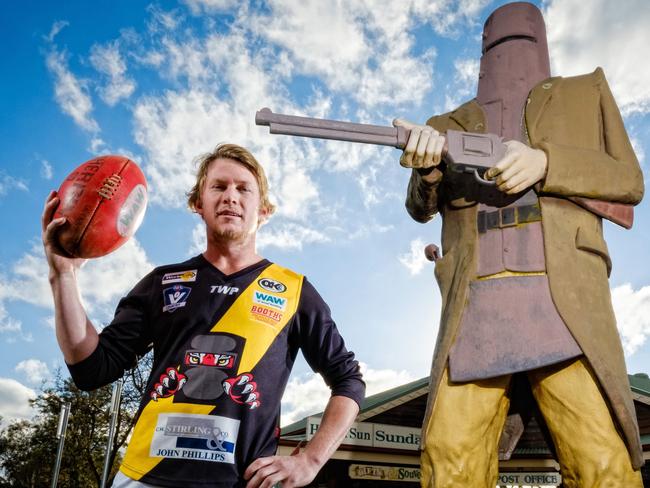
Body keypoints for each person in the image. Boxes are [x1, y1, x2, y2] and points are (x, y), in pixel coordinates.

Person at [393, 2, 644, 487]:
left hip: (563, 299)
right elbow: (420, 208)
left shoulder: (586, 92)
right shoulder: (447, 122)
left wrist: (546, 163)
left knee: (601, 461)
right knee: (450, 454)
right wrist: (426, 169)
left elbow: (628, 179)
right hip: (475, 303)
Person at [42, 143, 365, 488]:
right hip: (144, 477)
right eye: (218, 186)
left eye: (243, 189)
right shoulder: (162, 282)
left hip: (241, 481)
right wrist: (63, 275)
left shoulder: (294, 291)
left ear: (264, 210)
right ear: (198, 203)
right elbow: (91, 367)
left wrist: (311, 460)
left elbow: (348, 380)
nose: (230, 197)